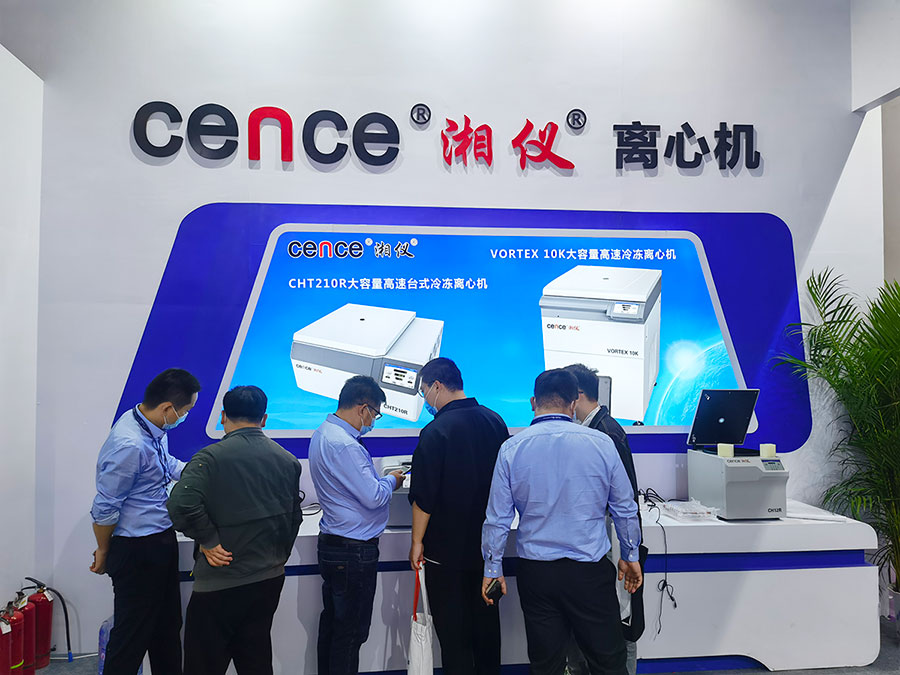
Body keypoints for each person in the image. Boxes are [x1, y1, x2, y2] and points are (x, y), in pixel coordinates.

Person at [481, 369, 643, 675]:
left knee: (546, 665)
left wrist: (492, 569)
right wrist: (630, 555)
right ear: (573, 403)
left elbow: (497, 519)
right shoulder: (601, 443)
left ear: (533, 402)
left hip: (537, 574)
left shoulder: (511, 449)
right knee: (608, 662)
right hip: (589, 572)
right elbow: (624, 508)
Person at [167, 385, 303, 675]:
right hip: (268, 579)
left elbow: (180, 504)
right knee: (255, 659)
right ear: (264, 419)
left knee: (203, 664)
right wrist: (278, 557)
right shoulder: (287, 460)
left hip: (221, 581)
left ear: (223, 417)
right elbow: (295, 517)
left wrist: (208, 539)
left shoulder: (209, 458)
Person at [89, 367, 201, 675]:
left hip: (160, 540)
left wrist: (199, 471)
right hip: (137, 549)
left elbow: (164, 465)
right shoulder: (129, 444)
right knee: (131, 635)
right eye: (185, 410)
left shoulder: (149, 424)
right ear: (167, 408)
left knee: (167, 628)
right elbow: (105, 507)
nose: (185, 416)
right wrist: (103, 550)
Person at [407, 358, 509, 675]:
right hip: (488, 553)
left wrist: (416, 541)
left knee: (454, 638)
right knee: (487, 631)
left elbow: (424, 496)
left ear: (437, 386)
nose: (425, 400)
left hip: (446, 555)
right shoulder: (495, 421)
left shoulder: (435, 431)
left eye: (424, 391)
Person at [309, 375, 405, 675]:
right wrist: (392, 480)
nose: (373, 421)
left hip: (335, 544)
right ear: (363, 409)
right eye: (375, 414)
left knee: (335, 628)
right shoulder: (345, 445)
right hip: (354, 551)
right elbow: (374, 497)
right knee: (350, 635)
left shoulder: (323, 433)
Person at [563, 363, 648, 675]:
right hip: (596, 545)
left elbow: (624, 503)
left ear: (577, 395)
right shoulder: (592, 431)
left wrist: (629, 552)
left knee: (619, 624)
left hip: (612, 544)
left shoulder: (606, 433)